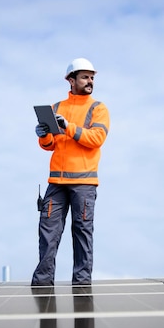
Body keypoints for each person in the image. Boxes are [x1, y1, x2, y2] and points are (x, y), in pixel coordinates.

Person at [31, 58, 111, 286]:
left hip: (84, 183)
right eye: (85, 77)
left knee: (82, 233)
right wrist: (43, 134)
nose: (90, 81)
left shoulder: (98, 108)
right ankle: (42, 284)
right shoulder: (57, 108)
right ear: (71, 80)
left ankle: (82, 286)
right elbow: (50, 145)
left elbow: (97, 139)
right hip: (56, 182)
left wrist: (69, 127)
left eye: (92, 77)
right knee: (47, 233)